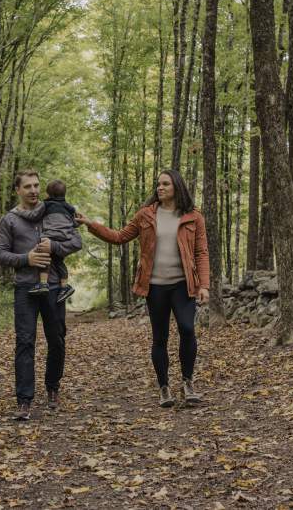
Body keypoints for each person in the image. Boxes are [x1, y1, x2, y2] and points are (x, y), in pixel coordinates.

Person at [76, 169, 210, 408]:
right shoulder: (145, 215)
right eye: (158, 184)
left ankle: (188, 382)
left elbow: (201, 252)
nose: (160, 188)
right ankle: (164, 387)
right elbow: (119, 237)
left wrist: (204, 285)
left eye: (165, 184)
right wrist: (91, 224)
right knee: (160, 337)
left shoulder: (193, 216)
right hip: (155, 286)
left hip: (183, 284)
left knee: (188, 329)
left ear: (177, 186)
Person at [0, 170, 82, 421]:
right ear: (18, 190)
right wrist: (26, 259)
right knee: (25, 342)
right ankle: (24, 400)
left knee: (57, 340)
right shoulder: (10, 220)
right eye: (27, 187)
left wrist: (54, 246)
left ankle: (53, 387)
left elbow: (75, 241)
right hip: (25, 288)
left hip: (53, 287)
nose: (33, 190)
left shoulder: (54, 210)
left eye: (36, 186)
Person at [27, 179, 77, 305]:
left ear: (49, 195)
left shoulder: (46, 205)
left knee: (44, 255)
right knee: (59, 261)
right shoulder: (69, 207)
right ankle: (65, 286)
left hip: (50, 236)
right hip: (65, 237)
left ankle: (43, 283)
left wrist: (24, 214)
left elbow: (34, 216)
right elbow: (75, 223)